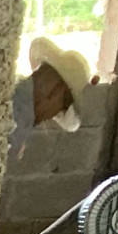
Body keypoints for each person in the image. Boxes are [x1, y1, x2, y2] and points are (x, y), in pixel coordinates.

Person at [7, 34, 92, 164]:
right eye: (60, 109)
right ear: (56, 91)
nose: (50, 117)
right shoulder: (22, 116)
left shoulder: (12, 87)